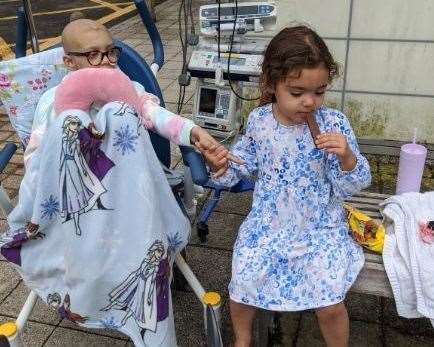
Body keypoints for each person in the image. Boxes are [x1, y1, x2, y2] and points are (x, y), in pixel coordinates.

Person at [205, 26, 372, 347]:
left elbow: (350, 186)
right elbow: (243, 168)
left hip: (319, 228)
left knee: (330, 302)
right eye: (297, 93)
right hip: (269, 225)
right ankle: (243, 341)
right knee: (242, 285)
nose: (310, 102)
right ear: (271, 84)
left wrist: (347, 157)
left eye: (319, 92)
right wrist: (221, 164)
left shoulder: (334, 124)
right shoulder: (259, 122)